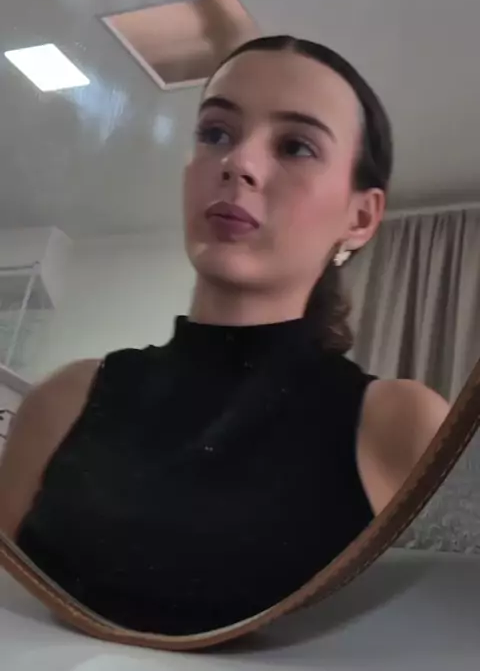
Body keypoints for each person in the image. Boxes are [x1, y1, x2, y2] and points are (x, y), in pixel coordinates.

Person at [0, 36, 449, 635]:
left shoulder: (403, 427)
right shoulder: (63, 400)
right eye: (216, 133)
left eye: (295, 146)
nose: (238, 163)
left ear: (361, 217)